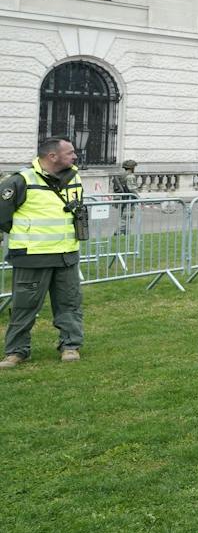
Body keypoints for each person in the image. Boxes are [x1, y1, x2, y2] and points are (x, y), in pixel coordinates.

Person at [0, 137, 87, 369]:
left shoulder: (75, 177)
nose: (75, 156)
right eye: (70, 152)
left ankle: (70, 346)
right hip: (31, 257)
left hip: (67, 255)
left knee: (69, 304)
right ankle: (16, 352)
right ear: (52, 156)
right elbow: (2, 216)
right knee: (24, 307)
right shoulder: (20, 180)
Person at [110, 158, 139, 235]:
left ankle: (126, 233)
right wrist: (138, 197)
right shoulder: (130, 176)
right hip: (128, 199)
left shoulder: (120, 175)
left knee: (124, 217)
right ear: (132, 168)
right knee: (126, 217)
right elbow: (132, 189)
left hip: (121, 199)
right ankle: (118, 232)